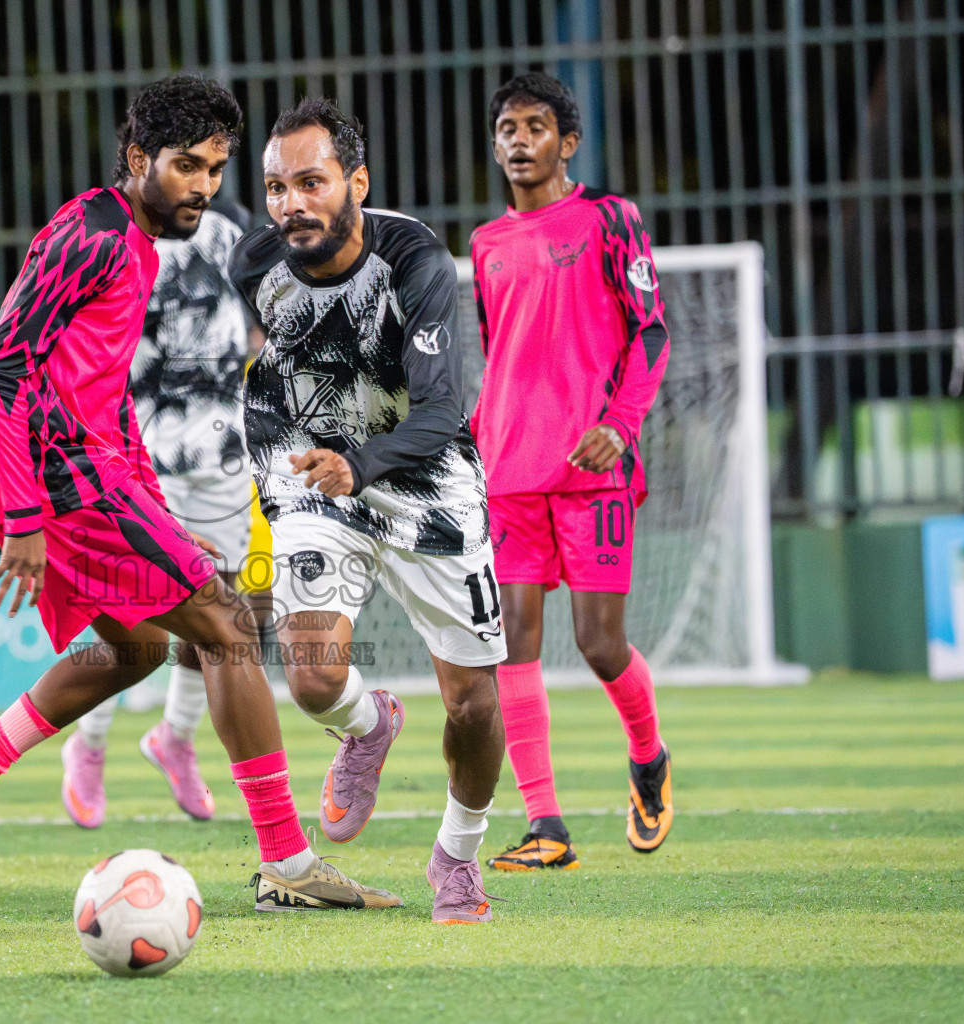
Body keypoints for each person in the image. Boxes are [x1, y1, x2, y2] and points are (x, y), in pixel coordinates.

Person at [0, 76, 398, 914]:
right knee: (229, 626)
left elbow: (97, 384)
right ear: (137, 160)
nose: (202, 185)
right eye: (185, 166)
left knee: (137, 649)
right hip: (60, 477)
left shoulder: (131, 240)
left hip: (93, 471)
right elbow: (2, 367)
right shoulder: (92, 235)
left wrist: (150, 504)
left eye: (216, 167)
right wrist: (25, 518)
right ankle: (288, 864)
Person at [230, 98, 508, 924]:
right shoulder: (255, 267)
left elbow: (438, 411)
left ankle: (457, 854)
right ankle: (370, 723)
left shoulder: (414, 257)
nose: (292, 204)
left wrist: (363, 463)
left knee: (473, 704)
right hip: (316, 475)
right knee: (312, 673)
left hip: (424, 480)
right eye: (277, 187)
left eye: (311, 183)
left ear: (355, 181)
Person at [469, 73, 673, 872]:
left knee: (597, 643)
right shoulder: (486, 244)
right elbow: (501, 353)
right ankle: (546, 827)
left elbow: (651, 334)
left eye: (535, 126)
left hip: (592, 469)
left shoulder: (610, 219)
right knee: (511, 643)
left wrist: (618, 429)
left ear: (568, 141)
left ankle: (648, 758)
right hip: (508, 471)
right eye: (506, 129)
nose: (518, 140)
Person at [59, 196, 261, 828]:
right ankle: (87, 746)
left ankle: (175, 738)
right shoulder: (119, 237)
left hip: (224, 455)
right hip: (138, 455)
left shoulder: (233, 225)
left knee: (220, 612)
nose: (197, 179)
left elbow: (258, 315)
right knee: (130, 616)